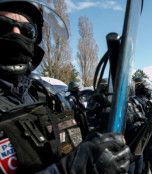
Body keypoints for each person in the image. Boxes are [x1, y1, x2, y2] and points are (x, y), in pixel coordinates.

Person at [0, 0, 130, 173]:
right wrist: (70, 169)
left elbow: (68, 143)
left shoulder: (44, 93)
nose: (16, 34)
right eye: (2, 25)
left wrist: (101, 140)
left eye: (27, 30)